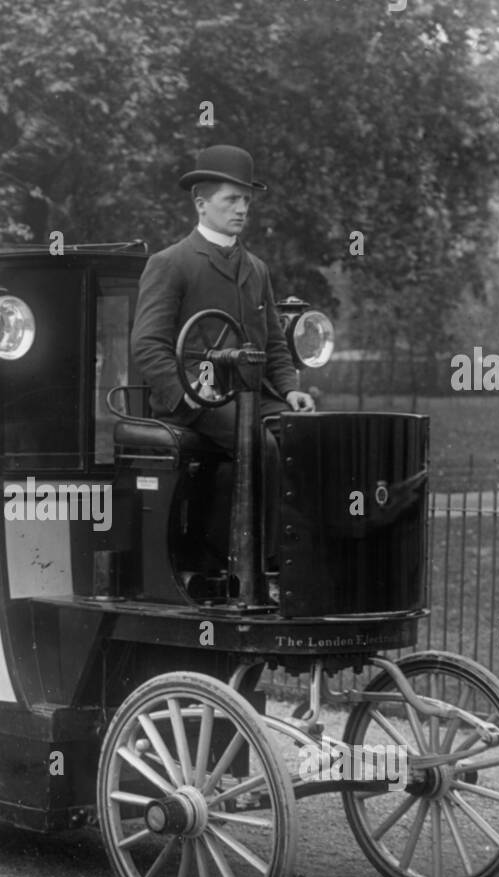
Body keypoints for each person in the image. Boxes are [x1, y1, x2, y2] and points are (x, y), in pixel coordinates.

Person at [131, 144, 315, 583]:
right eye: (231, 199)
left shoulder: (256, 268)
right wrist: (190, 392)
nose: (242, 209)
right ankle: (253, 570)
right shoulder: (171, 264)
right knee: (259, 446)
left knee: (310, 439)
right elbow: (148, 345)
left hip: (250, 396)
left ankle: (300, 560)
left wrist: (290, 389)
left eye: (247, 200)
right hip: (193, 401)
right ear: (201, 203)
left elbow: (272, 342)